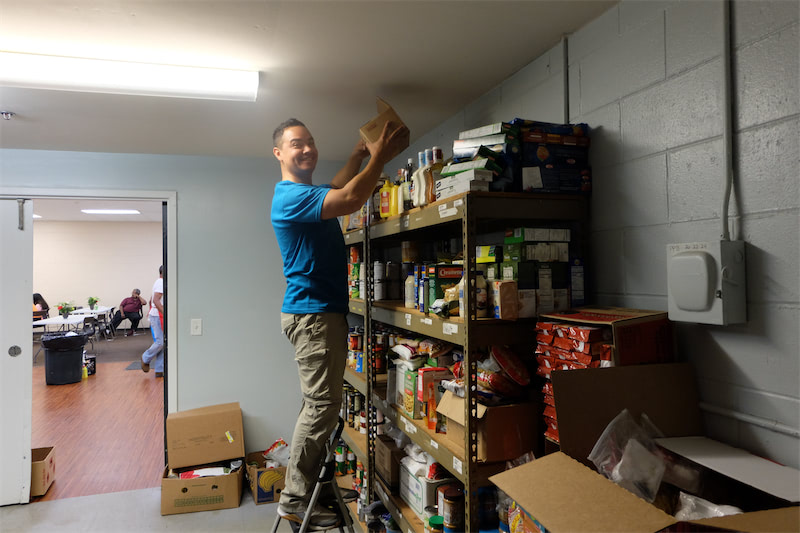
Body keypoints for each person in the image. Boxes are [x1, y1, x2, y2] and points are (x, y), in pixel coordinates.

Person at [271, 117, 407, 528]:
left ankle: (309, 488)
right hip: (314, 315)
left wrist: (357, 156)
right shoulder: (289, 197)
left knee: (319, 406)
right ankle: (294, 500)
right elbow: (348, 199)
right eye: (297, 144)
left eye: (311, 141)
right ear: (279, 153)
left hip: (318, 313)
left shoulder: (305, 193)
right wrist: (380, 156)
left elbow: (335, 189)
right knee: (321, 407)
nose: (307, 148)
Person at [141, 266, 165, 378]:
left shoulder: (159, 282)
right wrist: (165, 314)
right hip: (158, 316)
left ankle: (160, 369)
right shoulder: (161, 282)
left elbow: (151, 299)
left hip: (156, 314)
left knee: (163, 343)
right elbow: (155, 300)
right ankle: (145, 357)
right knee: (160, 342)